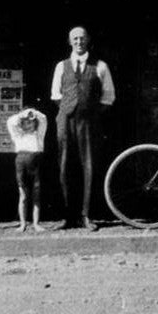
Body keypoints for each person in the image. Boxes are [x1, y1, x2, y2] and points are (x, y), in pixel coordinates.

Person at [51, 26, 115, 231]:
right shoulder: (61, 66)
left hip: (89, 123)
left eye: (82, 38)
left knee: (89, 167)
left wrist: (90, 113)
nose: (79, 42)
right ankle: (67, 217)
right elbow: (56, 95)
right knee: (64, 166)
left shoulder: (100, 66)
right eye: (75, 39)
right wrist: (70, 109)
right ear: (70, 42)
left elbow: (108, 97)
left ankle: (87, 215)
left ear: (88, 40)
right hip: (66, 121)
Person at [6, 106, 47, 233]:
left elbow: (43, 118)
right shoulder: (18, 135)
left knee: (36, 195)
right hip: (21, 163)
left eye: (31, 122)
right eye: (25, 122)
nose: (28, 125)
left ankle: (36, 223)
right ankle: (23, 223)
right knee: (23, 195)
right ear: (21, 123)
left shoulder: (39, 134)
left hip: (35, 164)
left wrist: (33, 112)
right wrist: (22, 115)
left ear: (35, 123)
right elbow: (10, 122)